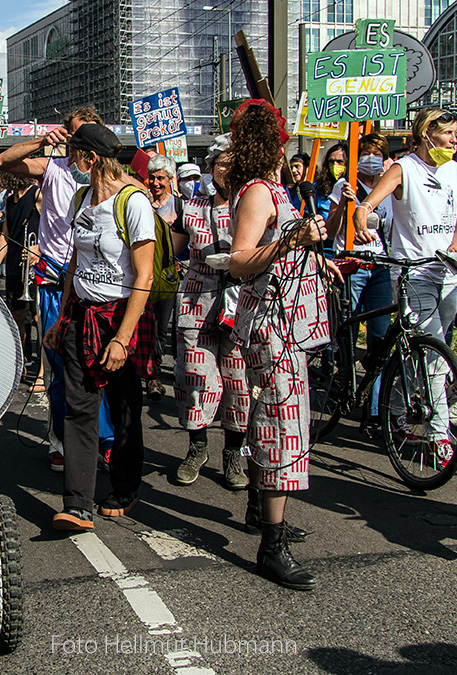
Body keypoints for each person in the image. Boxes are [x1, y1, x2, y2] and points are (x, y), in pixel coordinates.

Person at [226, 99, 337, 590]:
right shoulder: (257, 193)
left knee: (268, 419)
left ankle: (259, 511)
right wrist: (294, 242)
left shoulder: (274, 187)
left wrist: (317, 257)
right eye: (282, 133)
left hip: (287, 322)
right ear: (271, 141)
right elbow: (240, 259)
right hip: (272, 326)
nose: (290, 138)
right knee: (280, 426)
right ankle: (271, 546)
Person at [43, 123, 156, 532]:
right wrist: (62, 315)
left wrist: (123, 338)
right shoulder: (81, 199)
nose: (69, 162)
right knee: (80, 408)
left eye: (73, 154)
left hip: (121, 316)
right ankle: (77, 504)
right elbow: (77, 261)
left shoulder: (133, 202)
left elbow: (143, 274)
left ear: (90, 159)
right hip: (80, 316)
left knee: (125, 407)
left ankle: (125, 486)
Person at [0, 106, 120, 472]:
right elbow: (3, 161)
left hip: (99, 281)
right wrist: (41, 141)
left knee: (102, 364)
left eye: (89, 137)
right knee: (61, 367)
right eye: (75, 136)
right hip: (54, 280)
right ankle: (63, 442)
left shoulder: (113, 179)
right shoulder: (53, 169)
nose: (83, 146)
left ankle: (107, 440)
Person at [354, 108, 457, 475]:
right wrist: (362, 220)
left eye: (455, 134)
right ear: (425, 135)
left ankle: (400, 409)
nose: (454, 140)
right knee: (436, 356)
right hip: (412, 274)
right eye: (448, 134)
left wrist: (456, 249)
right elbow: (368, 204)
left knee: (423, 353)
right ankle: (439, 436)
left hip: (448, 274)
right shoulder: (404, 169)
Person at [171, 134, 252, 491]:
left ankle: (234, 454)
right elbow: (173, 247)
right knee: (196, 377)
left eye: (235, 164)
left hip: (241, 303)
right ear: (211, 168)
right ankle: (197, 447)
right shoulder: (191, 207)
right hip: (196, 299)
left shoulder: (254, 202)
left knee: (239, 384)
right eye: (222, 164)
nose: (227, 171)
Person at [325, 133, 396, 434]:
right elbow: (330, 230)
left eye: (377, 153)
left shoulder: (391, 187)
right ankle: (345, 378)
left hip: (380, 266)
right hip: (352, 264)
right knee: (349, 331)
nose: (372, 158)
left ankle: (376, 406)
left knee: (381, 339)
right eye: (365, 152)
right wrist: (343, 205)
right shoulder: (345, 185)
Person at [0, 172, 39, 377]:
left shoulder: (37, 195)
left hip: (35, 266)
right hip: (16, 266)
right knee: (17, 314)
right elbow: (6, 234)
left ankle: (43, 363)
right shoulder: (9, 200)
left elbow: (54, 226)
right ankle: (23, 358)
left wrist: (40, 247)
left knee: (36, 316)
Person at [144, 154, 179, 402]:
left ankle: (154, 375)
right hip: (142, 275)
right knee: (142, 326)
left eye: (160, 178)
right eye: (152, 177)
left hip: (166, 277)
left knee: (161, 329)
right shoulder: (140, 202)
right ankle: (144, 372)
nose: (155, 183)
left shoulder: (178, 206)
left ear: (169, 179)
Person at [314, 143, 348, 222]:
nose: (335, 165)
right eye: (331, 161)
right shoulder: (318, 186)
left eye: (340, 162)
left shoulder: (354, 184)